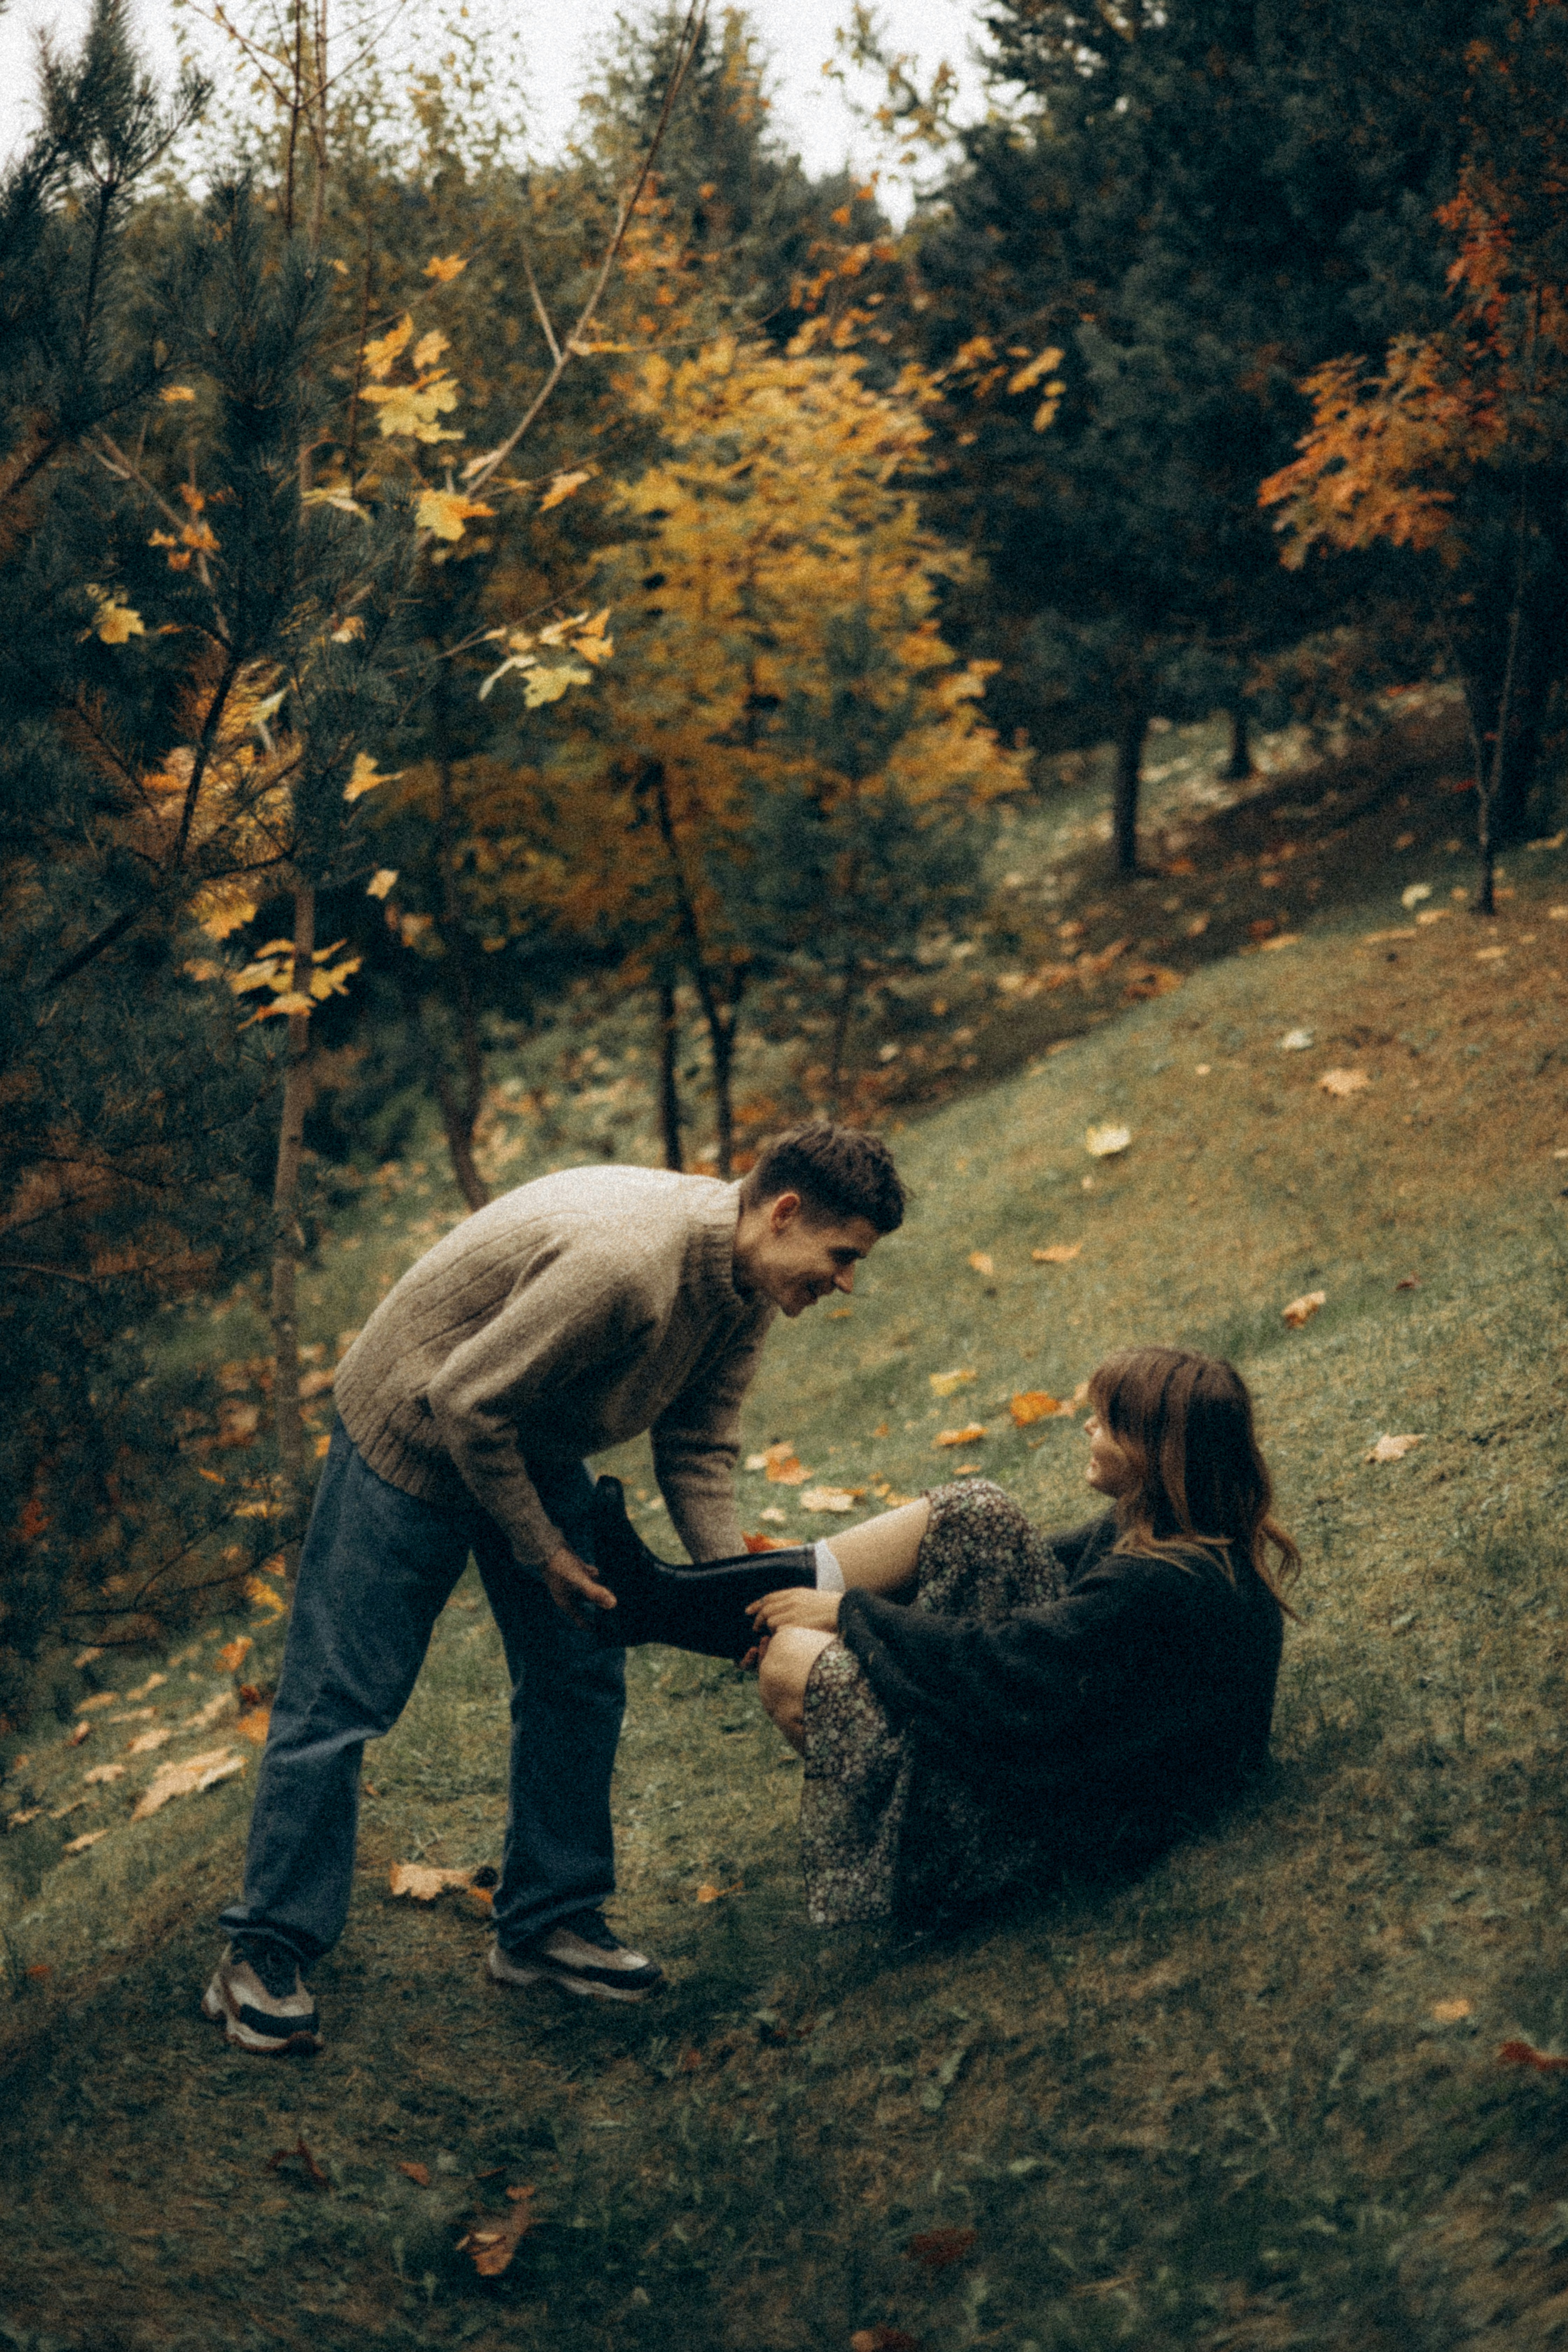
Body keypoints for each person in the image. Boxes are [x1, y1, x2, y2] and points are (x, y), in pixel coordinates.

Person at [201, 1124, 906, 2053]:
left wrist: (740, 1596)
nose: (846, 1280)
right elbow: (465, 1404)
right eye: (842, 1255)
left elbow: (697, 1448)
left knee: (580, 1665)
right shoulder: (628, 1267)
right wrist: (541, 1549)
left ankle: (546, 1926)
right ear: (783, 1214)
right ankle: (263, 1951)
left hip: (525, 1435)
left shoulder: (746, 1282)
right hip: (415, 1426)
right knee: (343, 1698)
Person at [592, 1347, 1297, 1928]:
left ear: (1154, 1450)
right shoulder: (1174, 1531)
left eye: (1106, 1422)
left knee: (789, 1664)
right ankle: (668, 1605)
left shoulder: (1159, 1583)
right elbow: (1043, 1592)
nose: (1085, 1429)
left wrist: (846, 1619)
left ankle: (907, 1849)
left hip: (1055, 1825)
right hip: (1074, 1755)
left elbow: (1006, 1662)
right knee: (974, 1511)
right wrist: (846, 1610)